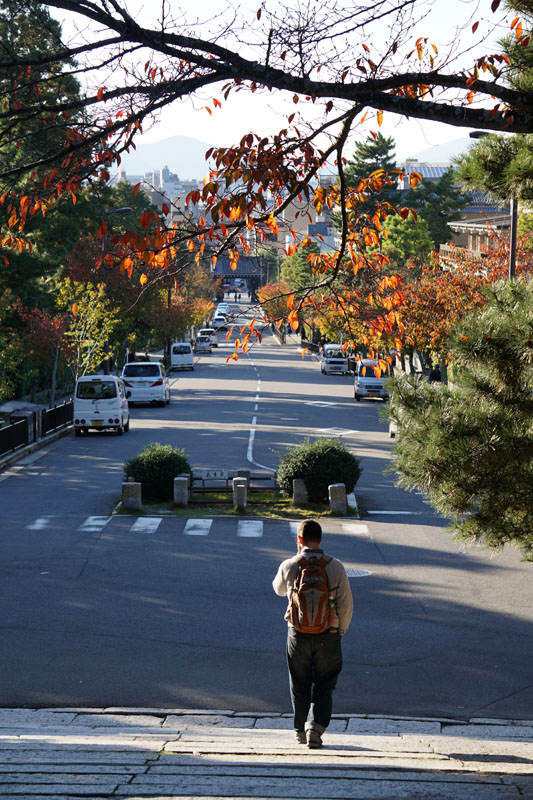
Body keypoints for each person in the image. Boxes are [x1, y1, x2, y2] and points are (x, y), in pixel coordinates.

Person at [272, 519, 353, 749]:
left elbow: (277, 589)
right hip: (329, 633)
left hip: (297, 634)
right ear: (320, 540)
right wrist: (340, 630)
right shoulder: (335, 566)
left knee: (299, 682)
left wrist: (294, 559)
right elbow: (346, 604)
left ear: (299, 540)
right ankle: (315, 727)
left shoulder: (290, 565)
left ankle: (299, 730)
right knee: (325, 683)